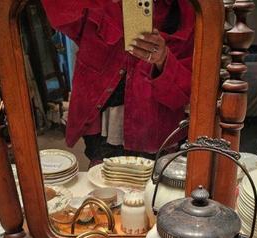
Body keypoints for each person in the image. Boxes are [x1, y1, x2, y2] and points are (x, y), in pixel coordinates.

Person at [41, 0, 195, 164]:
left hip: (154, 127)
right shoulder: (101, 6)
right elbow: (60, 13)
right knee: (100, 177)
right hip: (103, 122)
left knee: (151, 178)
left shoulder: (188, 12)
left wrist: (163, 60)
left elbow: (186, 92)